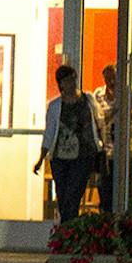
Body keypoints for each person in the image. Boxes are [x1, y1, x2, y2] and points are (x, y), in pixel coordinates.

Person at [33, 64, 100, 225]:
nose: (72, 82)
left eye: (73, 78)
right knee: (62, 194)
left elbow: (98, 122)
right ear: (61, 83)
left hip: (83, 155)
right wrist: (41, 158)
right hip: (60, 157)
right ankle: (67, 228)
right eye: (68, 80)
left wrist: (100, 146)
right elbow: (49, 132)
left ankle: (69, 229)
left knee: (74, 192)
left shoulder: (88, 100)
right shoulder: (56, 106)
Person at [90, 64, 132, 214]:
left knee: (128, 193)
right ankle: (106, 226)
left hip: (128, 151)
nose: (111, 82)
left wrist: (122, 110)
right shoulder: (98, 94)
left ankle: (131, 224)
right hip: (106, 152)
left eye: (114, 78)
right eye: (108, 79)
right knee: (105, 192)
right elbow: (94, 118)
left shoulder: (131, 93)